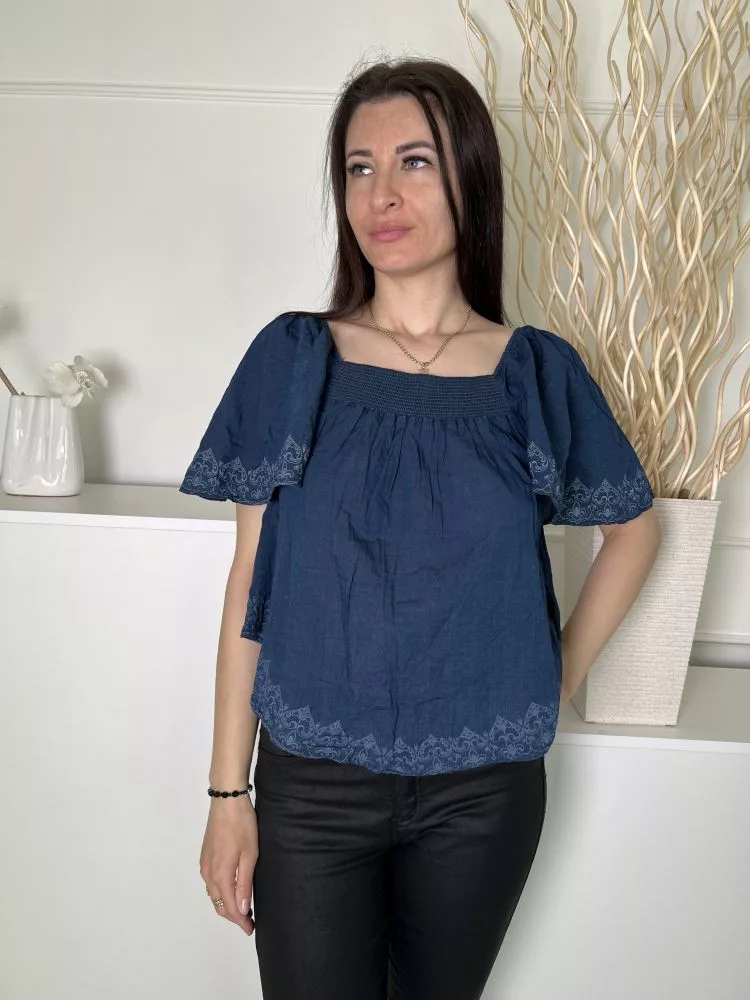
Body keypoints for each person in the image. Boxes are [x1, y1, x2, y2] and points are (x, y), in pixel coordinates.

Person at [179, 56, 661, 1000]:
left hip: (484, 797)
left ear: (471, 177)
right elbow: (249, 582)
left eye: (414, 162)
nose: (380, 195)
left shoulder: (533, 371)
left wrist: (553, 676)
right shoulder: (294, 358)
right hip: (312, 790)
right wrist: (227, 793)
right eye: (358, 168)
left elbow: (634, 531)